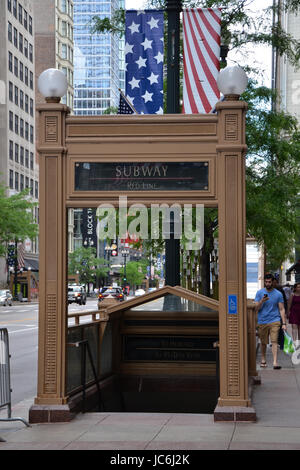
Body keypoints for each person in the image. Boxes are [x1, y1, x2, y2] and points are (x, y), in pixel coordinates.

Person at [255, 273, 287, 369]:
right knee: (263, 342)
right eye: (266, 282)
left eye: (269, 282)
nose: (268, 284)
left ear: (273, 282)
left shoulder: (278, 294)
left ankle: (275, 362)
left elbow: (281, 309)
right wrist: (261, 301)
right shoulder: (259, 293)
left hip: (275, 320)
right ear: (264, 282)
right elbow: (256, 308)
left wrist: (284, 323)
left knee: (274, 341)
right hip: (262, 321)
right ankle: (263, 359)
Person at [287, 283, 300, 347]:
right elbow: (289, 304)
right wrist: (288, 312)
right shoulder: (292, 295)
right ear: (295, 288)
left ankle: (299, 343)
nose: (299, 288)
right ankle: (294, 342)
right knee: (294, 328)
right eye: (298, 287)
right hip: (294, 312)